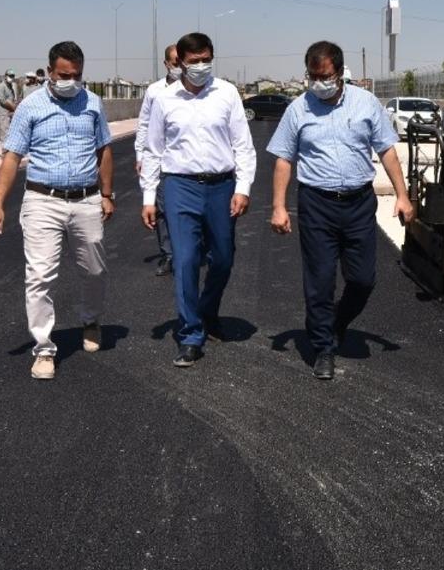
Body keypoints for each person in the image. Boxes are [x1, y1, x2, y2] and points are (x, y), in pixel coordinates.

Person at [267, 40, 414, 380]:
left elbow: (388, 151)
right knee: (319, 282)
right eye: (313, 76)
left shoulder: (366, 104)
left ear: (340, 73)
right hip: (317, 204)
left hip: (359, 204)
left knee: (363, 279)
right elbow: (283, 160)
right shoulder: (298, 109)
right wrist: (279, 206)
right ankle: (323, 348)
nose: (320, 82)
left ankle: (337, 321)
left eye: (326, 76)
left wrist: (403, 196)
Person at [0, 41, 114, 381]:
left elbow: (104, 150)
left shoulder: (93, 104)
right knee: (40, 276)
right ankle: (43, 348)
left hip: (86, 200)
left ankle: (90, 320)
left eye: (77, 75)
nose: (71, 81)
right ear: (49, 71)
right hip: (43, 200)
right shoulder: (31, 107)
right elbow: (11, 157)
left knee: (95, 270)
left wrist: (107, 194)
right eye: (64, 75)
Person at [140, 32, 255, 368]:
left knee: (223, 259)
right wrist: (149, 197)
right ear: (181, 63)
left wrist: (243, 188)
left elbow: (243, 146)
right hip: (180, 187)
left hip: (222, 187)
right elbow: (153, 151)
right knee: (186, 259)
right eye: (194, 61)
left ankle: (207, 309)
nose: (201, 66)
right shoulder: (165, 99)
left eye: (207, 59)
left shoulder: (228, 93)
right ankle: (191, 334)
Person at [135, 43, 182, 276]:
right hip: (160, 161)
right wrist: (140, 155)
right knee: (161, 210)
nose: (180, 67)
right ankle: (168, 255)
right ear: (166, 64)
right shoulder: (155, 91)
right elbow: (144, 125)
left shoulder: (197, 90)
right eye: (175, 62)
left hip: (184, 163)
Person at [0, 69, 18, 142]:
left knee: (11, 132)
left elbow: (13, 98)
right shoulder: (1, 87)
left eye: (12, 76)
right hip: (3, 113)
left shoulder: (10, 87)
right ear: (5, 76)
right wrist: (13, 107)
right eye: (10, 76)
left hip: (10, 113)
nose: (11, 78)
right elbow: (3, 101)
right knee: (5, 132)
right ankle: (5, 151)